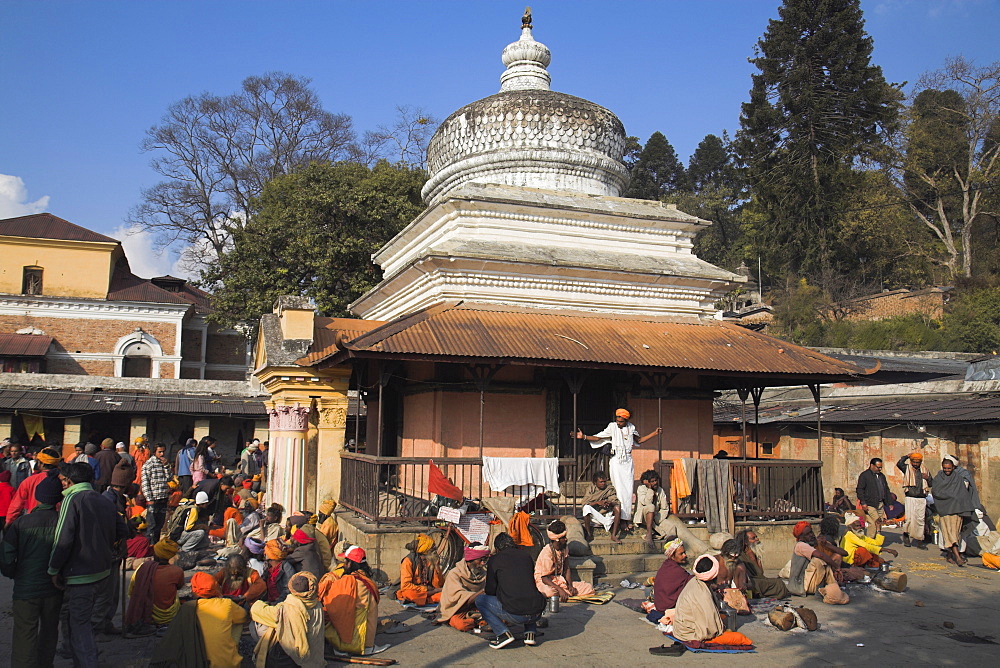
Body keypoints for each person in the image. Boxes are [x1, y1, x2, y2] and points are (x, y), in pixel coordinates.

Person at [48, 461, 129, 668]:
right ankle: (80, 656)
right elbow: (123, 530)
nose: (62, 486)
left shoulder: (72, 499)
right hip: (102, 570)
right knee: (82, 620)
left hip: (80, 573)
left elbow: (63, 539)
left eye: (63, 482)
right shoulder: (103, 500)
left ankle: (87, 661)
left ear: (69, 481)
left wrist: (53, 568)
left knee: (79, 623)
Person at [0, 470, 64, 667]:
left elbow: (7, 557)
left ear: (37, 497)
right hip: (54, 589)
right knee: (49, 631)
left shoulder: (21, 523)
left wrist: (15, 573)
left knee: (24, 634)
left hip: (26, 589)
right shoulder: (63, 522)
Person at [575, 408, 662, 523]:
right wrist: (584, 436)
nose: (618, 423)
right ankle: (618, 517)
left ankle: (625, 518)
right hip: (617, 461)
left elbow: (639, 440)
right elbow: (598, 437)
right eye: (617, 420)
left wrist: (654, 433)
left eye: (621, 421)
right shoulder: (612, 427)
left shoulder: (631, 428)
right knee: (619, 490)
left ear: (626, 420)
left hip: (628, 461)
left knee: (627, 491)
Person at [476, 532, 546, 649]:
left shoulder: (495, 560)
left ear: (498, 549)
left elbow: (490, 590)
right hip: (537, 612)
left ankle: (503, 634)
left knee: (480, 600)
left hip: (516, 613)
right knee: (527, 592)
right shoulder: (526, 556)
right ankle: (530, 632)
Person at [318, 545, 389, 656]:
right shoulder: (365, 579)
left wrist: (328, 583)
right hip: (368, 634)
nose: (344, 565)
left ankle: (345, 647)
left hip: (357, 637)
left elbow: (333, 601)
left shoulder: (350, 581)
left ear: (350, 564)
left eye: (345, 562)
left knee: (324, 614)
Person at [250, 571, 325, 667]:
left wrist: (260, 603)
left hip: (287, 657)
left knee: (257, 625)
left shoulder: (286, 608)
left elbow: (257, 611)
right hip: (313, 659)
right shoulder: (318, 605)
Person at [632, 469, 710, 554]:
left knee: (671, 528)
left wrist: (658, 518)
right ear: (647, 482)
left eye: (656, 480)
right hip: (644, 516)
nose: (655, 483)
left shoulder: (660, 490)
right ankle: (649, 533)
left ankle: (671, 550)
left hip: (657, 517)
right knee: (651, 507)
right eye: (652, 481)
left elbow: (665, 508)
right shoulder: (641, 489)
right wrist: (650, 489)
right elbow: (646, 502)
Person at [124, 538, 185, 634]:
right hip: (169, 616)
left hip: (147, 615)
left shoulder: (143, 568)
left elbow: (131, 592)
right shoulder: (177, 571)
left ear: (156, 553)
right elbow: (179, 586)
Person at [932, 454, 982, 567]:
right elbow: (936, 492)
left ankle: (950, 556)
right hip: (945, 510)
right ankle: (958, 557)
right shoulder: (938, 478)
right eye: (945, 468)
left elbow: (962, 494)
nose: (947, 470)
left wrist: (957, 501)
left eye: (949, 468)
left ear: (953, 467)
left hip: (957, 511)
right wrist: (950, 497)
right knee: (949, 534)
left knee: (955, 534)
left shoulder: (958, 478)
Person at [190, 571, 248, 668]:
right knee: (237, 622)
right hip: (228, 664)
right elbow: (243, 616)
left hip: (197, 662)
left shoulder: (190, 608)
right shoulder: (227, 604)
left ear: (194, 590)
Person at [786, 522, 849, 605]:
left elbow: (844, 553)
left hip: (812, 579)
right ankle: (819, 591)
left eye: (811, 532)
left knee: (836, 557)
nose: (811, 535)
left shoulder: (817, 542)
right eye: (807, 534)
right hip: (801, 584)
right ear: (801, 537)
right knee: (819, 561)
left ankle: (831, 585)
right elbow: (820, 555)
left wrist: (827, 545)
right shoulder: (800, 545)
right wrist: (837, 567)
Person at [533, 519, 595, 601]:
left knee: (588, 588)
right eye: (563, 538)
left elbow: (567, 568)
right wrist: (560, 589)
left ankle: (564, 594)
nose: (566, 539)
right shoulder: (547, 553)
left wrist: (570, 586)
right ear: (557, 539)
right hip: (545, 582)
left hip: (559, 580)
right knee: (549, 592)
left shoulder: (564, 548)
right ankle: (562, 594)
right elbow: (544, 578)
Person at [437, 543, 490, 631]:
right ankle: (477, 622)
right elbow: (457, 598)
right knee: (461, 624)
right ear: (472, 559)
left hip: (476, 607)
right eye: (480, 560)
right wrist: (482, 592)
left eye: (485, 560)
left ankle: (479, 619)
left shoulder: (484, 573)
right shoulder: (455, 573)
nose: (483, 563)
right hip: (457, 609)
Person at [4, 446, 63, 523]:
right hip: (57, 521)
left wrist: (9, 522)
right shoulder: (63, 480)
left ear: (41, 463)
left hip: (32, 520)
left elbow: (16, 505)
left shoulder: (29, 481)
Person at [732, 528, 789, 599]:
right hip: (751, 582)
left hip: (759, 579)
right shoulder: (741, 556)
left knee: (778, 582)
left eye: (756, 537)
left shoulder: (754, 553)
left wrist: (758, 558)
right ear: (746, 542)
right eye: (753, 538)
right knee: (778, 584)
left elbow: (760, 573)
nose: (757, 539)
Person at [650, 538, 692, 628]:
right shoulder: (677, 571)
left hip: (660, 607)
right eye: (681, 554)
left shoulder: (667, 565)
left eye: (684, 552)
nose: (685, 555)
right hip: (667, 608)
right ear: (672, 556)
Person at [396, 533, 445, 606]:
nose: (435, 551)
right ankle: (427, 599)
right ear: (425, 551)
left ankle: (423, 600)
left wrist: (437, 567)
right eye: (432, 549)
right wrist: (427, 589)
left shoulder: (430, 561)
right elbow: (405, 585)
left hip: (430, 591)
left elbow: (438, 585)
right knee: (408, 593)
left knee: (448, 593)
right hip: (417, 591)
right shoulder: (408, 561)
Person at [896, 452, 931, 548]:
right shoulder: (907, 468)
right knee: (909, 519)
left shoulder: (925, 470)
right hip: (910, 497)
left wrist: (927, 478)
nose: (916, 464)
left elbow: (931, 483)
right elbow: (899, 463)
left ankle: (919, 540)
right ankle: (906, 535)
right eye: (914, 462)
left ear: (921, 462)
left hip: (921, 498)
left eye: (918, 462)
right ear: (911, 462)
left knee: (920, 519)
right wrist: (906, 456)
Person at [142, 443, 172, 543]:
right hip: (153, 499)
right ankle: (149, 545)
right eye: (159, 452)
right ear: (154, 452)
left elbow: (169, 478)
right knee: (152, 525)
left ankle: (155, 546)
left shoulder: (164, 463)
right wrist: (149, 499)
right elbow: (145, 484)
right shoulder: (148, 465)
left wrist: (166, 466)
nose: (162, 454)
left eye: (163, 451)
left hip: (163, 497)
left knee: (160, 524)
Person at [580, 471, 622, 543]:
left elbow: (615, 500)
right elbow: (584, 502)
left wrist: (609, 502)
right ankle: (589, 534)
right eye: (601, 482)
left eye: (604, 482)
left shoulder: (609, 489)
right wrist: (597, 503)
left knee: (617, 507)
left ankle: (613, 535)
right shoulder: (591, 489)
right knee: (586, 508)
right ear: (595, 482)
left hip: (606, 515)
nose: (603, 484)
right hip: (595, 516)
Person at [856, 457, 891, 539]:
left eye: (880, 467)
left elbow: (886, 489)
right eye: (878, 467)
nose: (879, 469)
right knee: (876, 520)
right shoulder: (865, 475)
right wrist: (863, 502)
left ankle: (872, 539)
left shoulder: (881, 476)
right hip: (869, 504)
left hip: (880, 503)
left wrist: (889, 502)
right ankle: (873, 538)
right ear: (872, 465)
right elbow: (860, 490)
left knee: (874, 523)